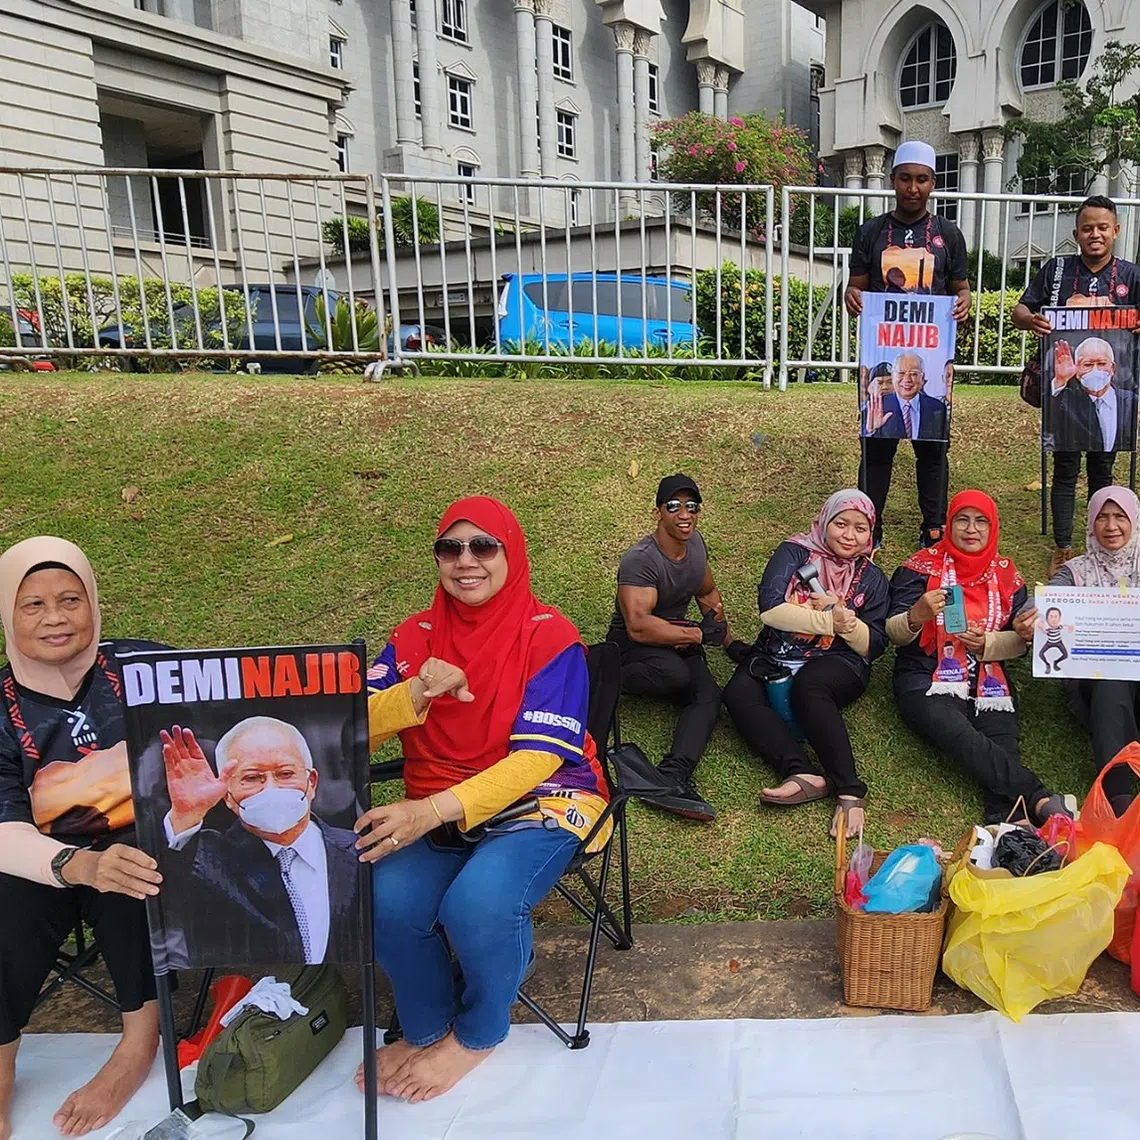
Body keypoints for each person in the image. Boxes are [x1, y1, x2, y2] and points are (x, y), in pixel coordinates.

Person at [354, 497, 610, 1105]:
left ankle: (478, 1034)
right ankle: (425, 1026)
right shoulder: (412, 637)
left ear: (511, 553)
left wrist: (428, 812)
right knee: (382, 898)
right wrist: (413, 693)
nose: (465, 560)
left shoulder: (550, 636)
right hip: (436, 804)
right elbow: (351, 728)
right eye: (450, 548)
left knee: (478, 905)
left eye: (483, 546)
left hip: (542, 801)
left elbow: (537, 760)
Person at [0, 538, 164, 1140]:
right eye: (33, 604)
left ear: (94, 603)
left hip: (145, 846)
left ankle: (139, 1042)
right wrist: (77, 864)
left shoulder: (146, 667)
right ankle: (1, 1061)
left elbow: (259, 696)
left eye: (71, 600)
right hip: (42, 857)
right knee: (7, 900)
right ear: (7, 614)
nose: (56, 618)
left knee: (134, 871)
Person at [887, 491, 1073, 825]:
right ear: (949, 524)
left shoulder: (1006, 575)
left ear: (992, 527)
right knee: (958, 732)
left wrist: (989, 643)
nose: (971, 529)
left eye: (981, 521)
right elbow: (893, 633)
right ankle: (1039, 797)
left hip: (989, 678)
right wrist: (916, 616)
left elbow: (1019, 642)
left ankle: (1008, 822)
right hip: (926, 674)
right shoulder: (918, 568)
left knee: (1001, 741)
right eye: (962, 519)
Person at [723, 490, 888, 839]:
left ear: (870, 533)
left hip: (839, 660)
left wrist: (846, 624)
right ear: (825, 521)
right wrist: (828, 621)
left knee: (810, 686)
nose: (849, 535)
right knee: (738, 694)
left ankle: (849, 790)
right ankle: (802, 772)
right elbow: (770, 608)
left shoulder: (872, 578)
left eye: (860, 528)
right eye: (841, 524)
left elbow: (872, 646)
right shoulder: (794, 552)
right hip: (777, 650)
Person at [845, 139, 972, 549]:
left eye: (921, 179)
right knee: (876, 444)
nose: (912, 188)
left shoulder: (948, 235)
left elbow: (961, 289)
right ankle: (869, 526)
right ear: (892, 180)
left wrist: (965, 302)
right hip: (884, 352)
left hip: (929, 353)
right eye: (905, 179)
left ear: (933, 183)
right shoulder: (871, 233)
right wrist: (852, 296)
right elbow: (855, 289)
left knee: (932, 445)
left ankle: (933, 528)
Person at [156, 716, 362, 967]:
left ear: (311, 782)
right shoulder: (206, 858)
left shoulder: (359, 849)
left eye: (285, 774)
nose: (271, 789)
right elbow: (167, 889)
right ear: (227, 795)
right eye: (252, 778)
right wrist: (185, 816)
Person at [1011, 195, 1140, 578]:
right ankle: (1064, 547)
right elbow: (1020, 310)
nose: (1095, 234)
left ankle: (1101, 544)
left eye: (1102, 228)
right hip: (1066, 392)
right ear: (1077, 233)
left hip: (1113, 391)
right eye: (1087, 228)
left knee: (1103, 467)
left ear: (1116, 230)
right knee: (1065, 468)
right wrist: (1031, 320)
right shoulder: (1057, 271)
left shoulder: (1131, 276)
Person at [605, 474, 735, 821]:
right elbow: (638, 625)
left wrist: (726, 639)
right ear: (658, 513)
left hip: (676, 638)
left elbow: (706, 592)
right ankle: (602, 675)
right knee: (674, 674)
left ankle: (673, 774)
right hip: (630, 645)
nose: (684, 514)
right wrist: (696, 636)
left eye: (692, 507)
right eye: (674, 506)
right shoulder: (640, 560)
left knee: (709, 696)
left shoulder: (696, 545)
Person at [1038, 486, 1140, 816]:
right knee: (1111, 681)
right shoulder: (1076, 571)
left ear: (1134, 521)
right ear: (1091, 523)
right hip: (1097, 684)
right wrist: (1030, 618)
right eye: (1102, 517)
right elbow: (1046, 603)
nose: (1111, 526)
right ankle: (1117, 795)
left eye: (1120, 517)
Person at [1045, 336, 1136, 455]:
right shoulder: (1067, 400)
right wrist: (1060, 380)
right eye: (1088, 365)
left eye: (1102, 363)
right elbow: (1051, 419)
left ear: (1112, 367)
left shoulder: (1130, 401)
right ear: (1076, 368)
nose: (1095, 371)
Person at [863, 352, 949, 441]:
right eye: (901, 373)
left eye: (913, 374)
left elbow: (942, 444)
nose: (907, 379)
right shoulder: (876, 407)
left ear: (922, 377)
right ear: (893, 376)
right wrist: (871, 431)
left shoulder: (937, 408)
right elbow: (865, 445)